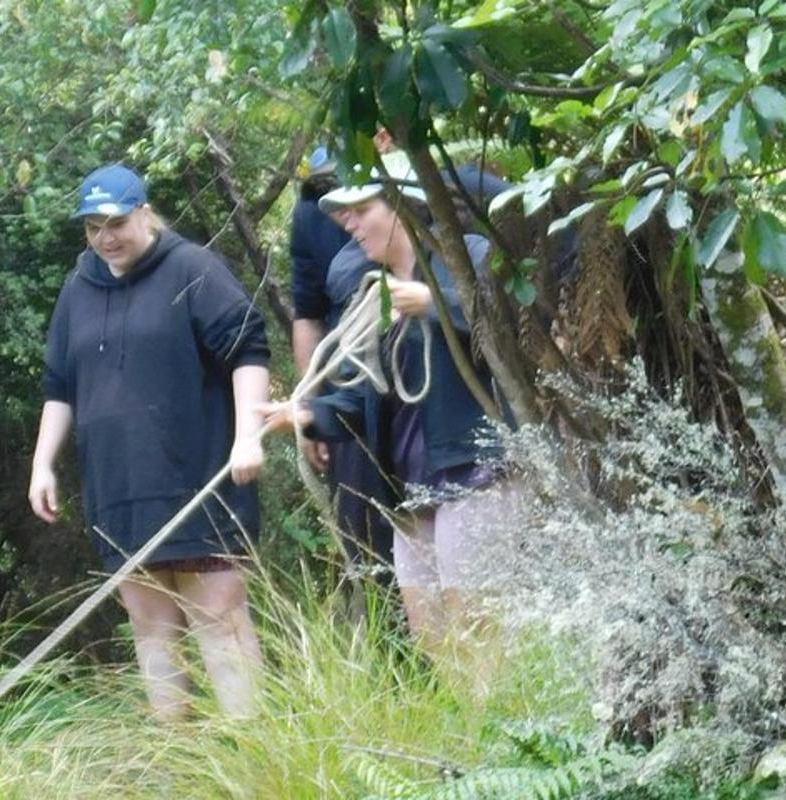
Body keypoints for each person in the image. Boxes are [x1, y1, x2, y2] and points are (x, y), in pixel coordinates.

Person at [29, 164, 270, 719]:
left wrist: (247, 437)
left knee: (220, 620)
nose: (105, 237)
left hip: (199, 477)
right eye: (92, 227)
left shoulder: (191, 267)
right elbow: (58, 387)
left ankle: (255, 755)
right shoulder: (78, 289)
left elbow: (248, 350)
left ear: (144, 211)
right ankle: (177, 761)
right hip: (119, 487)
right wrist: (43, 465)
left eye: (115, 221)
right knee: (150, 627)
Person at [263, 167, 520, 662]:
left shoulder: (469, 260)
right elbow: (364, 397)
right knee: (434, 641)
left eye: (361, 212)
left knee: (481, 636)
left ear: (404, 206)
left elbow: (517, 338)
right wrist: (304, 415)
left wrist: (436, 305)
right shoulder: (373, 294)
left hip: (476, 473)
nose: (350, 225)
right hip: (410, 495)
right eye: (345, 215)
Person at [289, 147, 394, 568]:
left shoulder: (420, 194)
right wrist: (310, 407)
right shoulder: (310, 214)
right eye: (327, 189)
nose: (340, 206)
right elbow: (307, 315)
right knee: (366, 541)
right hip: (350, 379)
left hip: (414, 373)